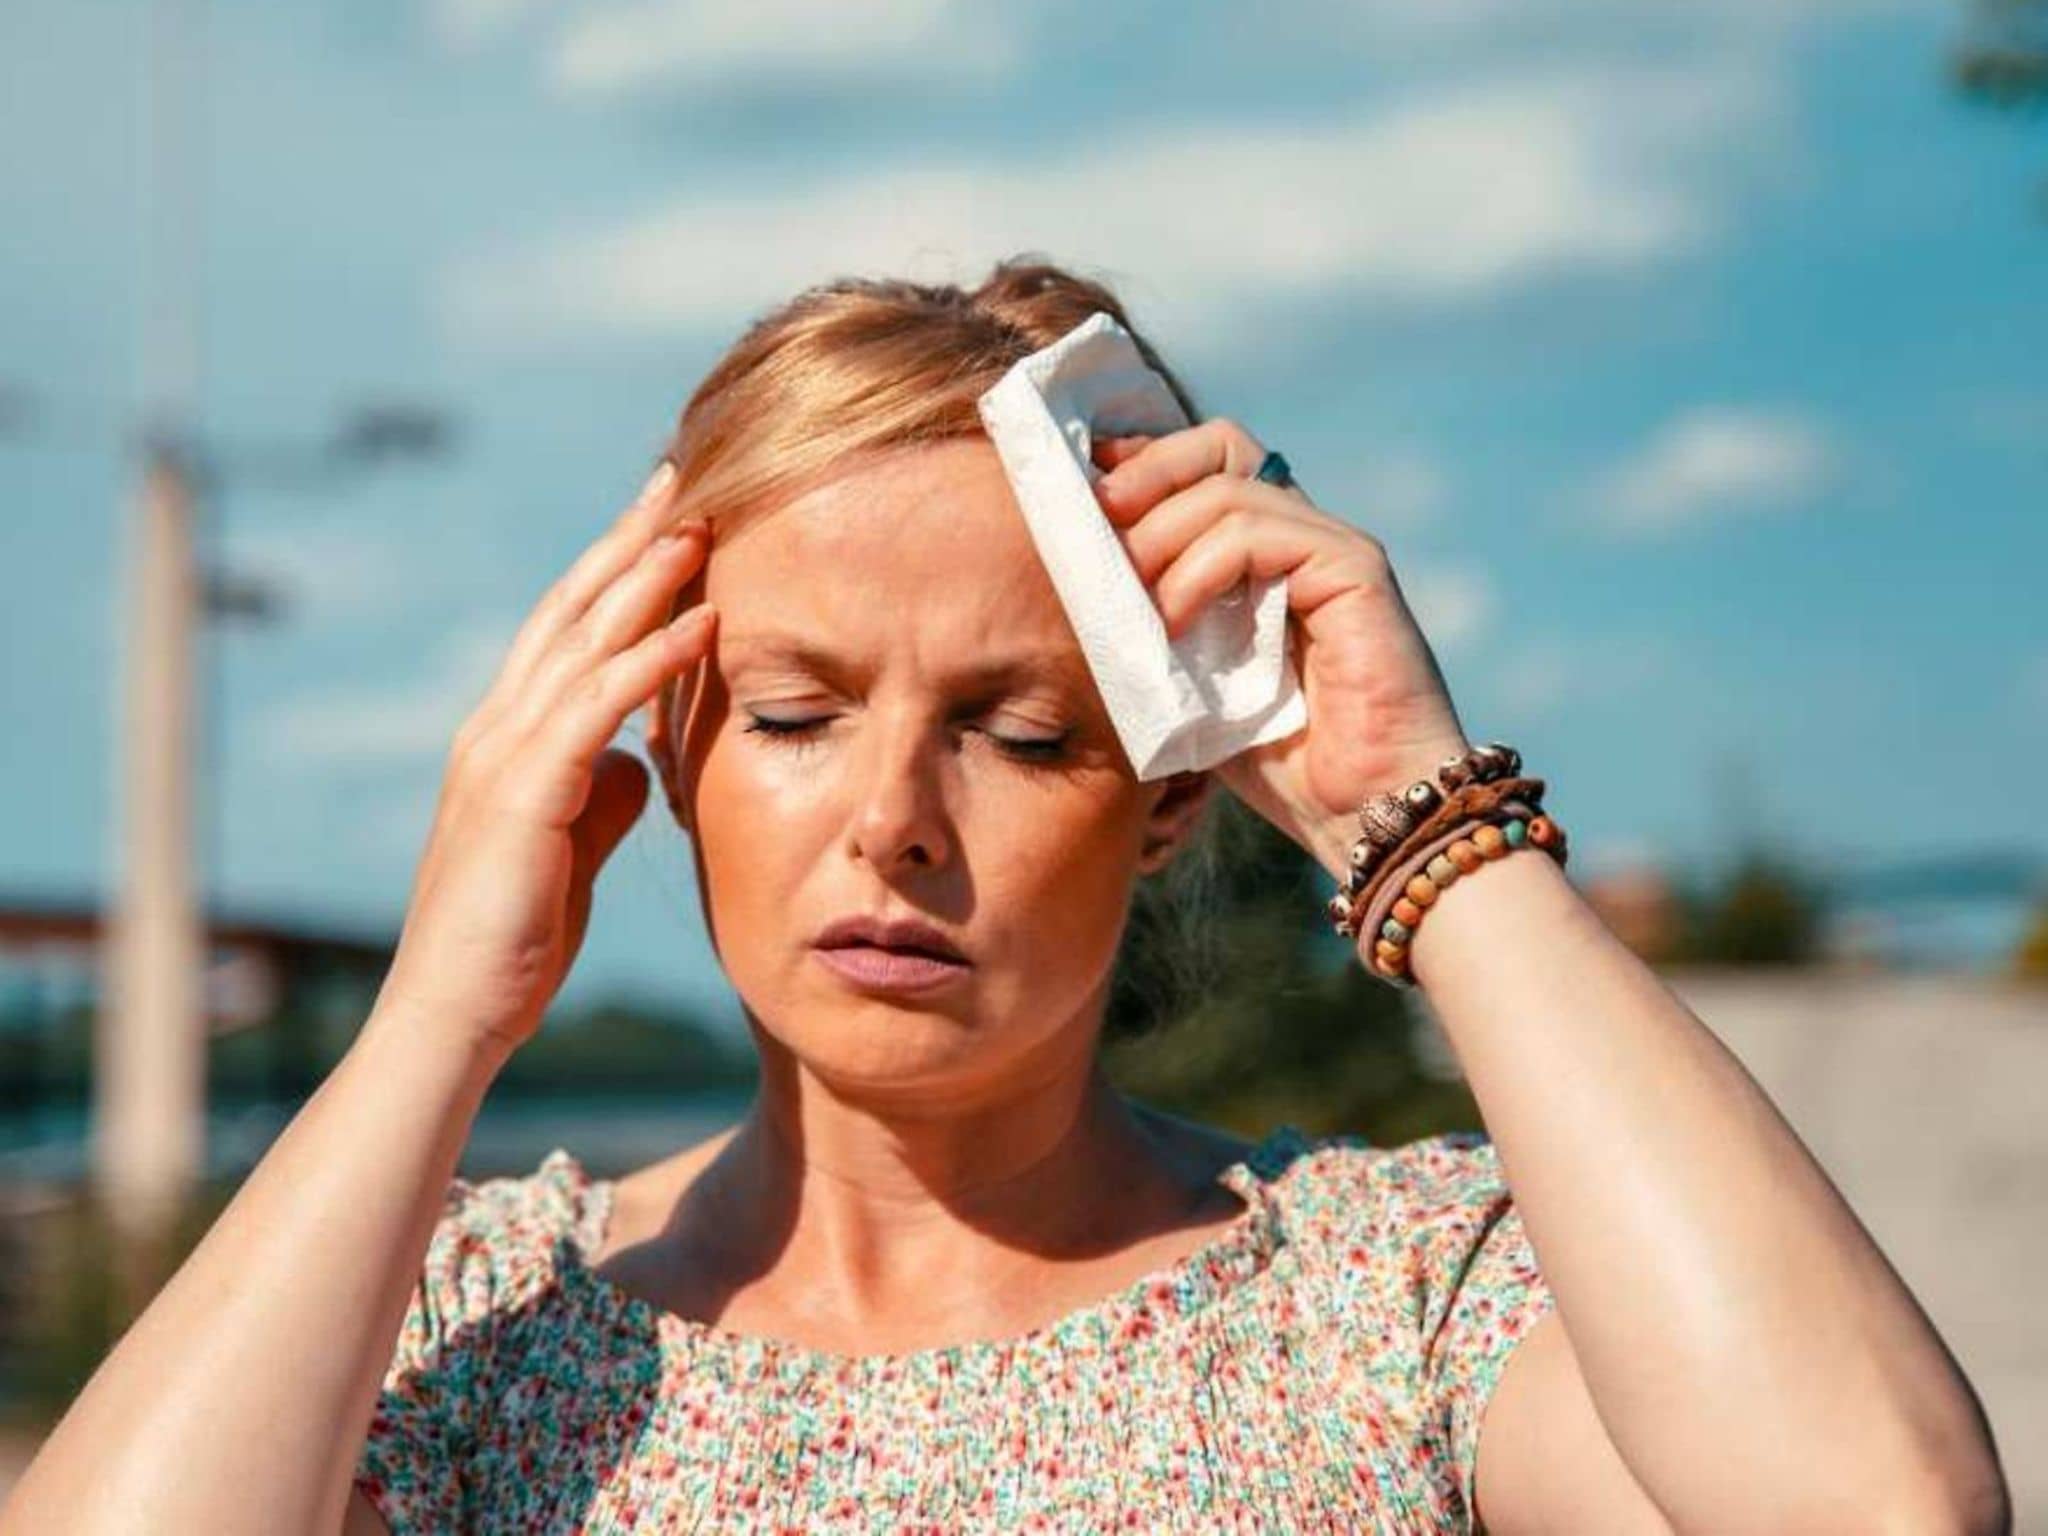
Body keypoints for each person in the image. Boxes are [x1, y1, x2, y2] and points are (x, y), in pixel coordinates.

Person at [2, 259, 2009, 1535]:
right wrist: (442, 1010)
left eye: (1024, 733)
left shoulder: (1385, 1307)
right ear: (670, 745)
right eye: (794, 715)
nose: (893, 819)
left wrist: (1420, 820)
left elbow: (1880, 1510)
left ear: (1166, 798)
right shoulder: (463, 1333)